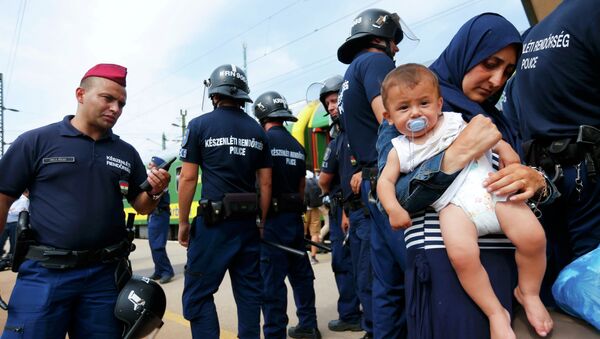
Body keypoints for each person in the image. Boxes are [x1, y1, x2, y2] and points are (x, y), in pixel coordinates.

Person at [375, 13, 554, 339]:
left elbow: (519, 174)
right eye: (489, 63)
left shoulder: (498, 117)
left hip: (506, 255)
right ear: (466, 52)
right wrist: (453, 157)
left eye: (508, 71)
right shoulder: (415, 103)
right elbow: (394, 192)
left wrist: (535, 180)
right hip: (446, 263)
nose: (497, 79)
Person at [0, 63, 171, 338]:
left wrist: (154, 191)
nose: (116, 108)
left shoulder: (125, 152)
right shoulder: (36, 142)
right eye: (108, 98)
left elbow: (141, 205)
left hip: (104, 278)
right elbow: (3, 197)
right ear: (80, 95)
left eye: (121, 103)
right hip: (45, 274)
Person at [501, 0, 600, 327]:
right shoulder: (592, 11)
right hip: (586, 174)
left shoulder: (534, 36)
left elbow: (516, 117)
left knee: (571, 276)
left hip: (546, 175)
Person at [177, 64, 272, 339]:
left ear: (214, 94)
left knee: (198, 295)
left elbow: (187, 179)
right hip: (247, 226)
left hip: (212, 227)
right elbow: (265, 183)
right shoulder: (257, 131)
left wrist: (183, 222)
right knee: (250, 295)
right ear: (243, 95)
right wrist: (261, 222)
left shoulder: (199, 125)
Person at [337, 8, 409, 338]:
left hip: (370, 182)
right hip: (390, 178)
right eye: (394, 42)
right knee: (413, 269)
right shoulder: (378, 62)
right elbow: (388, 117)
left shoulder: (351, 72)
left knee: (385, 278)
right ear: (382, 38)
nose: (397, 49)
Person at [253, 91, 321, 339]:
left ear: (261, 115)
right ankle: (309, 325)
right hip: (293, 218)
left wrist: (261, 220)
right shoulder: (297, 145)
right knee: (301, 275)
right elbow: (302, 186)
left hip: (272, 221)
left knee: (271, 282)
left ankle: (274, 333)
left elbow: (265, 184)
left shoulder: (263, 142)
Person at [317, 75, 362, 332]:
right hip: (345, 206)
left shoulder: (342, 137)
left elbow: (325, 180)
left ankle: (350, 315)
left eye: (335, 100)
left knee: (344, 263)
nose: (331, 107)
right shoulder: (345, 133)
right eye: (328, 103)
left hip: (343, 208)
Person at [146, 156, 175, 284]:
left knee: (158, 245)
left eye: (152, 164)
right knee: (153, 245)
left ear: (158, 167)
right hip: (154, 215)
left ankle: (167, 271)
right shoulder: (153, 179)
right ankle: (159, 270)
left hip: (160, 215)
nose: (149, 166)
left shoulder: (161, 181)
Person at [1, 190, 29, 259]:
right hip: (6, 223)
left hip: (14, 223)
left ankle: (11, 258)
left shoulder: (24, 200)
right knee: (1, 240)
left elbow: (20, 211)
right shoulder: (8, 198)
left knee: (14, 242)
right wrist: (10, 210)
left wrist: (8, 210)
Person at [304, 170, 323, 264]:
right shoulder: (311, 175)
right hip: (315, 208)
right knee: (315, 233)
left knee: (301, 232)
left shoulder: (300, 173)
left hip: (304, 210)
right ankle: (313, 257)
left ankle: (302, 257)